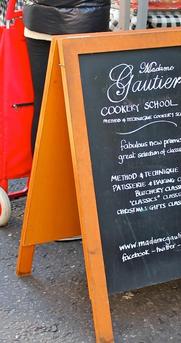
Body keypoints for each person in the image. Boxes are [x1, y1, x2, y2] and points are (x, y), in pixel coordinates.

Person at [23, 0, 111, 241]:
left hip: (38, 19)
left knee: (44, 111)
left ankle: (49, 209)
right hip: (86, 22)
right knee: (86, 112)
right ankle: (80, 213)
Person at [23, 0, 111, 152]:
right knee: (88, 107)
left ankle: (44, 173)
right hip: (89, 23)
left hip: (40, 20)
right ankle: (89, 172)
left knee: (44, 107)